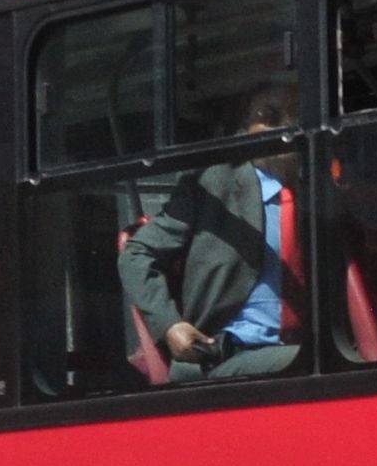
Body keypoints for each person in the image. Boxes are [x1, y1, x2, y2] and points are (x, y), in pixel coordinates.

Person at [122, 82, 304, 381]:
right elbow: (137, 254)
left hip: (307, 346)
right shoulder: (212, 184)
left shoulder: (318, 193)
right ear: (243, 129)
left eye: (295, 116)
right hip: (226, 353)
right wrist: (170, 325)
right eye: (268, 117)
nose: (285, 128)